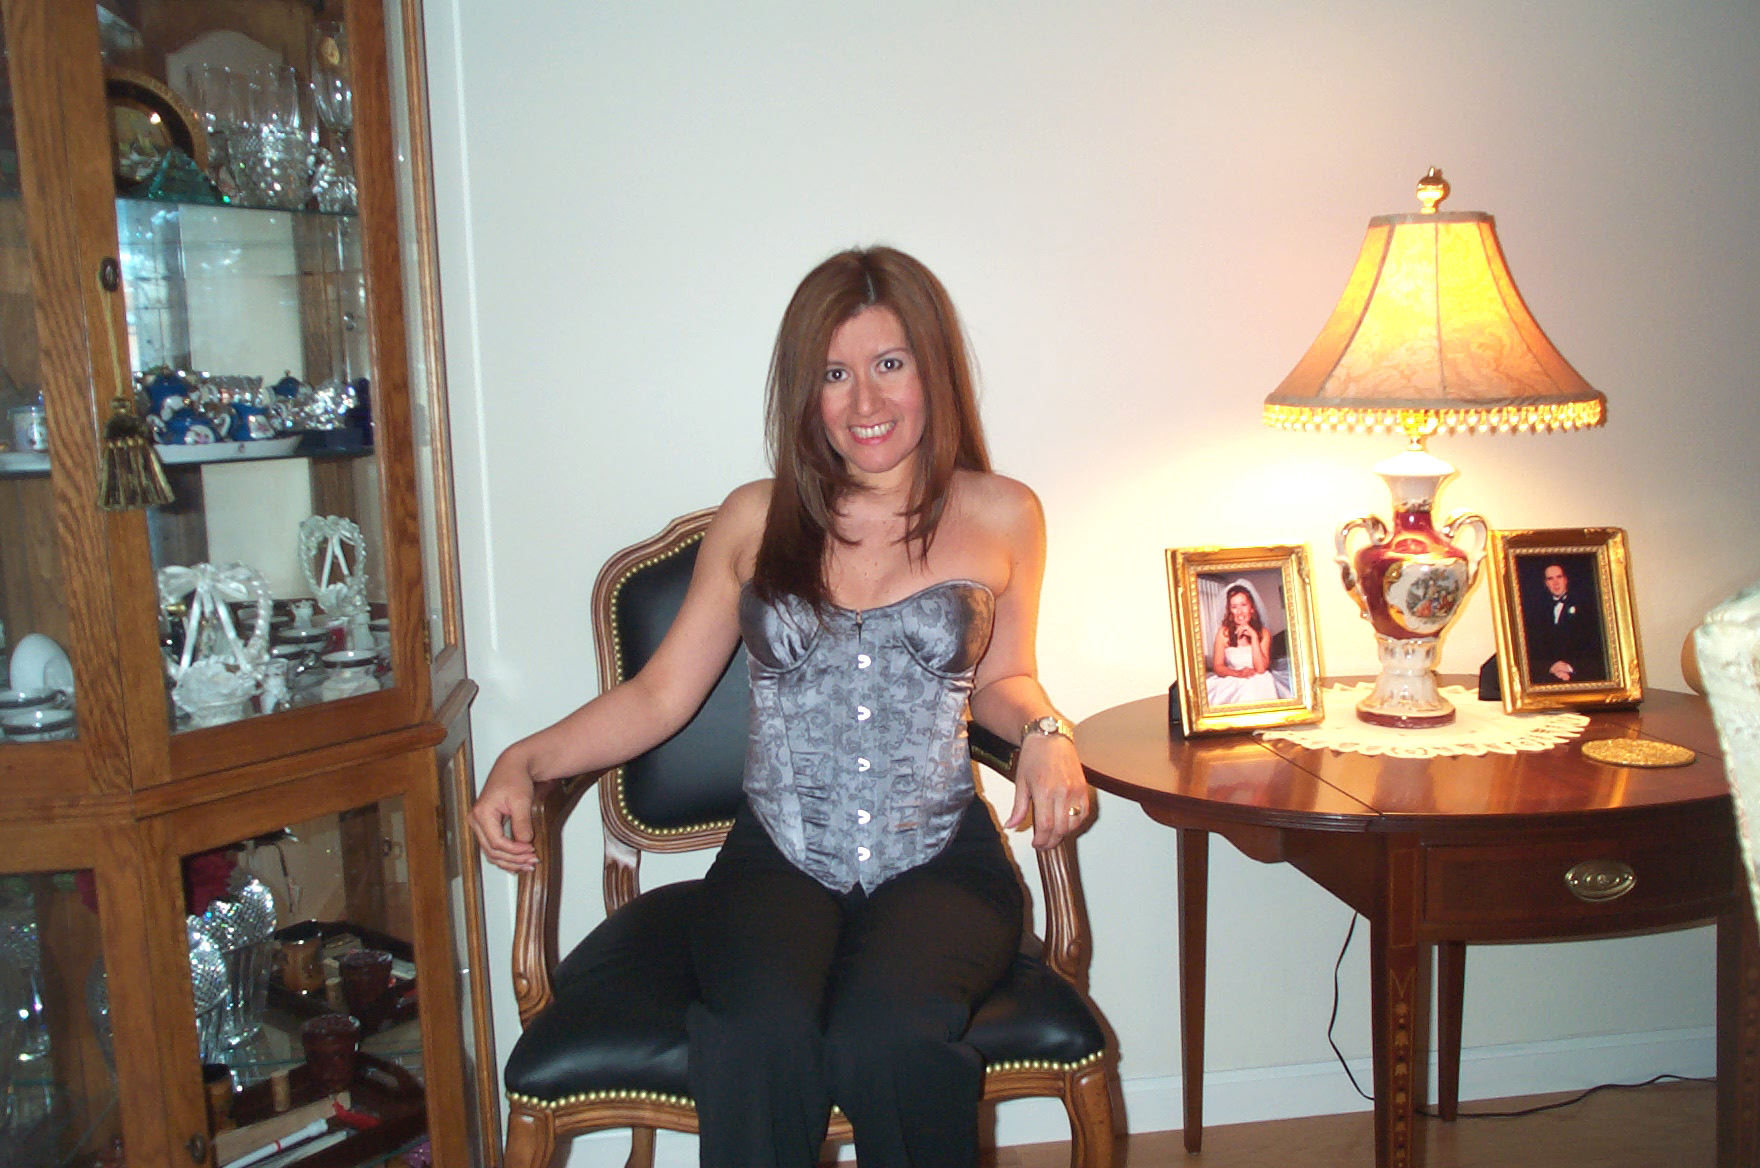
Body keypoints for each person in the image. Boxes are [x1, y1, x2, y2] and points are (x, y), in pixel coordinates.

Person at [467, 246, 1089, 1168]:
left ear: (933, 370)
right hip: (778, 858)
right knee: (756, 1036)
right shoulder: (757, 517)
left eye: (890, 364)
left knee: (894, 1039)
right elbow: (659, 696)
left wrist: (1045, 733)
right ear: (805, 391)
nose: (865, 401)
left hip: (941, 859)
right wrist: (525, 758)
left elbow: (1005, 680)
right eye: (835, 374)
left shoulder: (1004, 514)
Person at [1526, 561, 1606, 684]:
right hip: (1549, 677)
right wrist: (1552, 667)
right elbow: (1534, 650)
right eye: (1550, 579)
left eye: (1559, 577)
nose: (1556, 583)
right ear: (1546, 583)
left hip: (1581, 677)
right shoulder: (1538, 611)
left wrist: (1569, 667)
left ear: (1566, 580)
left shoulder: (1586, 608)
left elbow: (1594, 649)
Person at [1204, 579, 1280, 706]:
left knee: (1260, 683)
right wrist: (1238, 673)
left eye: (1244, 605)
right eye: (1234, 607)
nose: (1239, 612)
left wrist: (1254, 637)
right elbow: (1218, 667)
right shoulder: (1223, 633)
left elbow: (1261, 668)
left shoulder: (1264, 633)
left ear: (1252, 608)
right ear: (1230, 611)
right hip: (1233, 679)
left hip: (1259, 680)